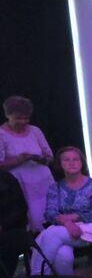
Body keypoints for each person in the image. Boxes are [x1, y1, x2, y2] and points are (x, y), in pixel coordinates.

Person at [34, 147, 92, 278]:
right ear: (60, 164)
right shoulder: (55, 187)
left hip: (91, 230)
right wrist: (67, 224)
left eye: (75, 159)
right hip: (65, 231)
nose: (72, 163)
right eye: (66, 160)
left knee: (51, 233)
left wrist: (73, 217)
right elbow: (50, 213)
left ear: (82, 163)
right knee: (63, 253)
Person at [0, 95, 55, 230]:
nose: (23, 121)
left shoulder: (35, 131)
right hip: (20, 185)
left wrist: (39, 159)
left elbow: (50, 157)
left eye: (26, 118)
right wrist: (20, 159)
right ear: (8, 115)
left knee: (52, 215)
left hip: (44, 182)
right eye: (18, 118)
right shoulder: (1, 134)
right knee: (33, 219)